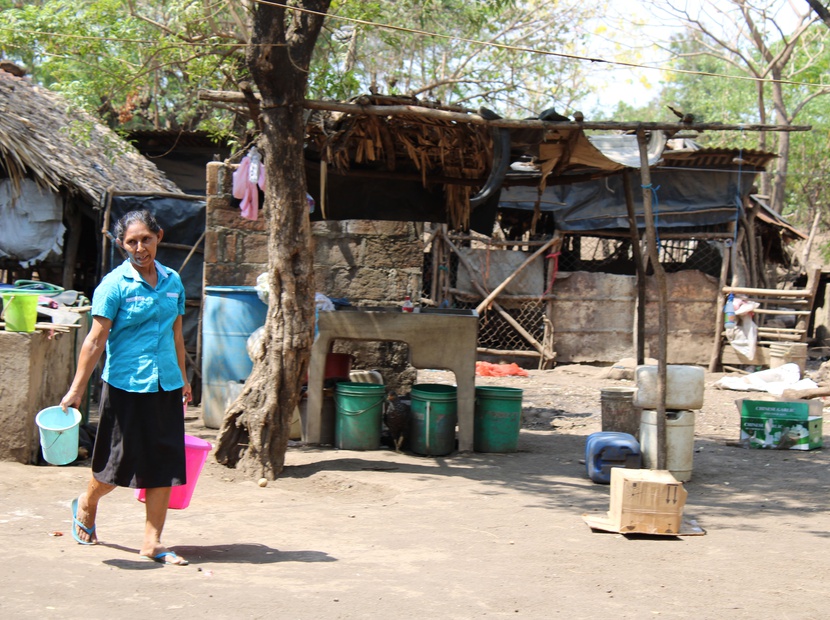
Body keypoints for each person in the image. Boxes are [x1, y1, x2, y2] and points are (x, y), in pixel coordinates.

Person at [60, 209, 192, 566]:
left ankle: (152, 543)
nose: (139, 248)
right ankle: (86, 503)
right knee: (116, 466)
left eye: (146, 239)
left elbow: (177, 334)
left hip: (165, 383)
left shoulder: (172, 281)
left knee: (164, 465)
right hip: (125, 386)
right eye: (131, 242)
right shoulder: (113, 285)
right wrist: (75, 390)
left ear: (158, 237)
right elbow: (94, 340)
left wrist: (183, 378)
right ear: (122, 244)